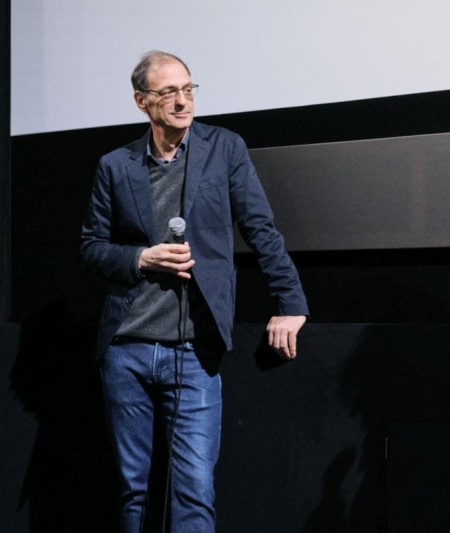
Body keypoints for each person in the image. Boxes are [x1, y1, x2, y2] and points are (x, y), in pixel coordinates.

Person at [79, 50, 308, 532]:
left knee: (194, 491)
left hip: (193, 348)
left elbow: (260, 229)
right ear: (142, 101)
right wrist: (141, 257)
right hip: (127, 349)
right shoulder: (115, 166)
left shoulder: (224, 148)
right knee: (132, 489)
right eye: (168, 92)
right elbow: (91, 248)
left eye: (188, 89)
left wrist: (290, 304)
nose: (183, 101)